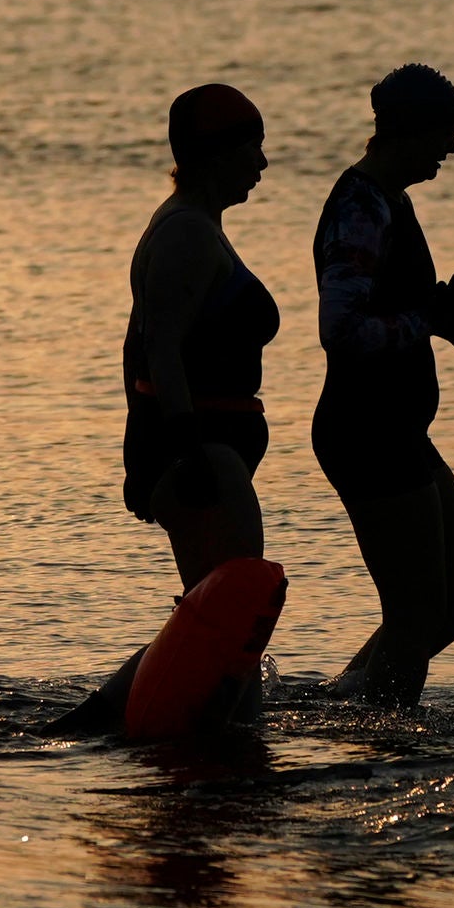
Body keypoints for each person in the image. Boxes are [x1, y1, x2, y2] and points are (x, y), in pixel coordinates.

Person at [310, 63, 454, 706]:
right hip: (365, 431)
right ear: (407, 131)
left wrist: (439, 310)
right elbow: (340, 328)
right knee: (416, 613)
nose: (450, 148)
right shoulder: (361, 208)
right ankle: (386, 744)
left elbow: (389, 307)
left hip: (397, 428)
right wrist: (428, 319)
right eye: (443, 133)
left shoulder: (393, 201)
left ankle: (342, 703)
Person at [120, 82, 280, 590]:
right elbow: (158, 349)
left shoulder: (198, 224)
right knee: (231, 610)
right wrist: (184, 453)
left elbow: (133, 342)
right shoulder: (185, 232)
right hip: (204, 458)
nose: (262, 163)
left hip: (211, 454)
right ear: (216, 154)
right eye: (251, 147)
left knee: (214, 615)